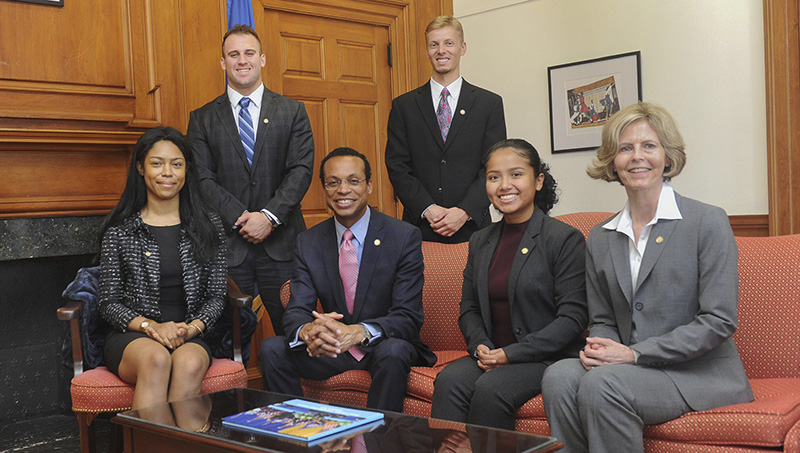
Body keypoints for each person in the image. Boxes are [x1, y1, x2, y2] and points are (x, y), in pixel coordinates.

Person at [541, 102, 754, 453]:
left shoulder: (707, 221)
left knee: (603, 385)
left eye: (649, 146)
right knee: (559, 377)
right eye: (626, 148)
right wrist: (602, 349)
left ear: (667, 157)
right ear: (613, 161)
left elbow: (718, 321)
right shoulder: (600, 236)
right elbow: (603, 319)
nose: (637, 157)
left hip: (698, 374)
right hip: (628, 367)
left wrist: (633, 354)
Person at [259, 147, 436, 411]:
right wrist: (307, 331)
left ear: (369, 186)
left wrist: (359, 332)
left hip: (382, 345)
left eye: (353, 181)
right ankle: (299, 433)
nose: (343, 190)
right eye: (334, 182)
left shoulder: (403, 236)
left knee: (394, 352)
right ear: (324, 190)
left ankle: (378, 441)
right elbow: (298, 308)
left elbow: (408, 315)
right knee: (272, 348)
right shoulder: (308, 241)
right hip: (333, 349)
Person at [430, 139, 588, 430]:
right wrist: (480, 345)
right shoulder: (480, 239)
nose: (504, 185)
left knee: (492, 389)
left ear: (538, 180)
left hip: (545, 358)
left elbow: (573, 318)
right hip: (491, 351)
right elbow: (469, 307)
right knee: (449, 380)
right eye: (494, 177)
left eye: (516, 174)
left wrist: (510, 354)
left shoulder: (564, 239)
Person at [187, 24, 314, 336]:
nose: (242, 60)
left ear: (262, 59)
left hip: (282, 245)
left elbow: (300, 169)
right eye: (233, 54)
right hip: (227, 247)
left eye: (249, 53)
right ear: (223, 63)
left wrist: (268, 217)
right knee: (226, 339)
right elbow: (201, 178)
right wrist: (242, 218)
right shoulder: (202, 118)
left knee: (295, 336)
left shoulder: (292, 111)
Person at [98, 127, 227, 409]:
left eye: (176, 164)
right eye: (157, 163)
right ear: (141, 168)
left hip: (191, 332)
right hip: (133, 336)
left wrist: (191, 329)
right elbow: (108, 303)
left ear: (186, 170)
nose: (167, 172)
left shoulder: (209, 225)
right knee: (156, 359)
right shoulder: (120, 230)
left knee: (189, 363)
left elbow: (217, 295)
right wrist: (152, 327)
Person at [385, 15, 506, 243]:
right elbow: (397, 166)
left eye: (449, 43)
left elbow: (494, 167)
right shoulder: (404, 106)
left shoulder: (489, 104)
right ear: (427, 50)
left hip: (475, 229)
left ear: (462, 47)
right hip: (420, 228)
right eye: (434, 44)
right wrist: (428, 209)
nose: (441, 50)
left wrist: (464, 211)